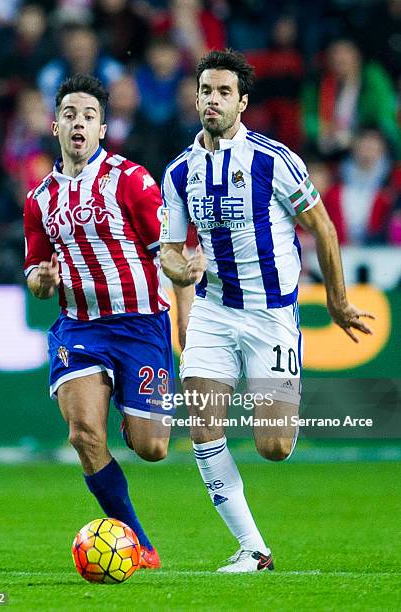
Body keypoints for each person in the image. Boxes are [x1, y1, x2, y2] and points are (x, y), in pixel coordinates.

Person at [159, 49, 374, 573]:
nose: (212, 99)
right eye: (206, 90)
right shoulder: (179, 171)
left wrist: (340, 301)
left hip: (270, 314)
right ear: (196, 97)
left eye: (224, 92)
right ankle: (253, 549)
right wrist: (179, 272)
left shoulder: (273, 160)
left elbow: (322, 226)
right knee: (203, 425)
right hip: (212, 310)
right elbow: (168, 246)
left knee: (275, 445)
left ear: (243, 101)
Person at [23, 74, 174, 570]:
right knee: (84, 433)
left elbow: (166, 252)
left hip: (141, 324)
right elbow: (35, 276)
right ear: (55, 126)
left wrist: (183, 277)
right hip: (80, 327)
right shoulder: (39, 200)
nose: (78, 123)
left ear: (103, 128)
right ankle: (139, 542)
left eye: (88, 116)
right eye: (70, 114)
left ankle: (134, 418)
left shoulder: (131, 180)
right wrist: (42, 282)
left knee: (152, 448)